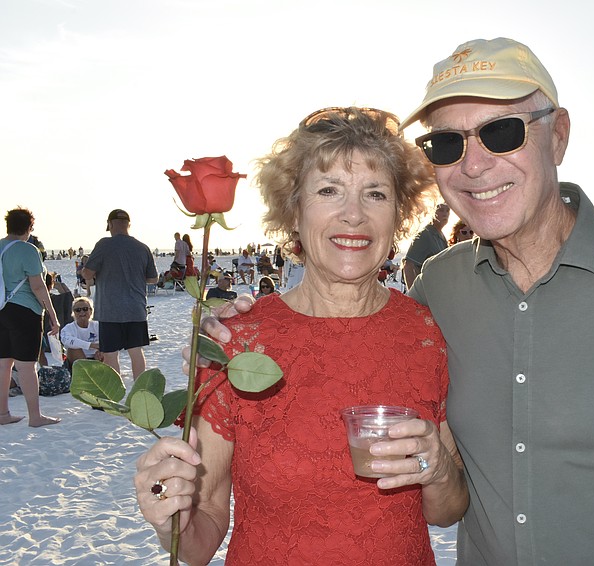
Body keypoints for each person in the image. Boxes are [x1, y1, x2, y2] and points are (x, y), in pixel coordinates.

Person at [201, 40, 594, 565]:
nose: (474, 165)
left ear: (557, 136)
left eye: (502, 133)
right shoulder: (436, 294)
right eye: (448, 144)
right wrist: (224, 338)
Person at [135, 107, 467, 565]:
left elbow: (448, 512)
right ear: (294, 210)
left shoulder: (424, 332)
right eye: (329, 190)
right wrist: (170, 518)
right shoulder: (235, 340)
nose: (353, 214)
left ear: (398, 216)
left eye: (375, 194)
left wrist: (437, 467)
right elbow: (202, 534)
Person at [0, 208, 61, 427]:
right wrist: (53, 315)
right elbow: (37, 286)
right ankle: (35, 416)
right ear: (29, 227)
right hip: (24, 311)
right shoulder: (28, 250)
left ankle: (3, 414)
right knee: (26, 366)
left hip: (1, 310)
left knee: (3, 364)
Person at [81, 209, 158, 380]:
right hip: (136, 308)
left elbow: (87, 273)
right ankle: (140, 391)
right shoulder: (142, 247)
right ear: (128, 225)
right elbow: (153, 278)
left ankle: (116, 394)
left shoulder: (104, 244)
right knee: (136, 352)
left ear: (110, 224)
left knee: (110, 354)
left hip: (110, 310)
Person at [401, 202, 449, 288]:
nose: (445, 214)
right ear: (432, 212)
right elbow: (408, 265)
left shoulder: (441, 236)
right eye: (441, 210)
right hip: (427, 292)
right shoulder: (425, 235)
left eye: (447, 211)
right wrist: (413, 296)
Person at [60, 296, 104, 366]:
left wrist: (101, 351)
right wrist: (91, 345)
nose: (82, 312)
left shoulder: (98, 325)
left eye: (85, 309)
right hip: (77, 359)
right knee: (73, 348)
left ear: (91, 311)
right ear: (73, 312)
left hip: (96, 357)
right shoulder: (68, 328)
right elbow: (67, 341)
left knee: (107, 351)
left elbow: (108, 340)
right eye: (78, 310)